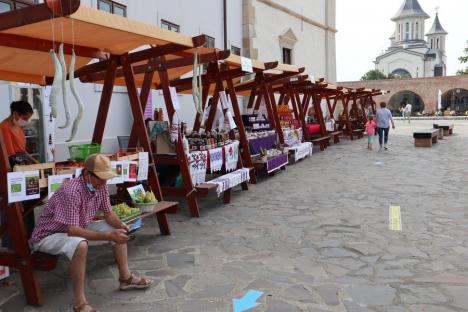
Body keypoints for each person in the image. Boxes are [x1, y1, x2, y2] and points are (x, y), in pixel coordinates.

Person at [29, 154, 152, 312]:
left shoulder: (100, 185)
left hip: (75, 228)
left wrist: (122, 225)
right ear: (87, 174)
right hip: (47, 236)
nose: (104, 182)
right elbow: (72, 230)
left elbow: (108, 213)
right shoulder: (71, 190)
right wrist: (108, 236)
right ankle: (80, 304)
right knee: (80, 245)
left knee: (118, 230)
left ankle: (125, 278)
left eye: (106, 178)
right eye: (101, 178)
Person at [0, 100, 39, 166]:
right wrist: (26, 164)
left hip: (21, 161)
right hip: (12, 164)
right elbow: (10, 155)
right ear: (15, 113)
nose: (26, 121)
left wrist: (34, 161)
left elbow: (22, 150)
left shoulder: (19, 126)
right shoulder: (4, 127)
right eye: (25, 118)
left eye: (28, 119)